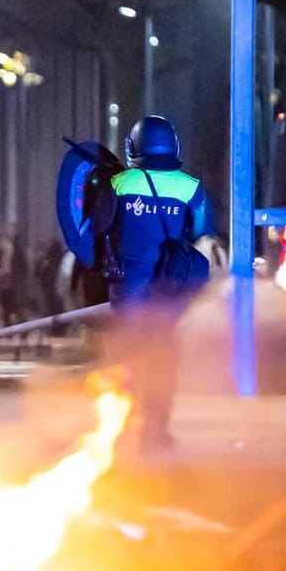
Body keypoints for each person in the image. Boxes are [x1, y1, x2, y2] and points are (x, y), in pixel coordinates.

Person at [88, 115, 212, 451]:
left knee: (128, 356)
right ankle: (157, 428)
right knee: (163, 357)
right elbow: (200, 230)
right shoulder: (191, 187)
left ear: (133, 147)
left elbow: (98, 228)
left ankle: (125, 426)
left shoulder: (120, 183)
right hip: (171, 288)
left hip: (128, 286)